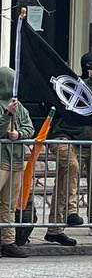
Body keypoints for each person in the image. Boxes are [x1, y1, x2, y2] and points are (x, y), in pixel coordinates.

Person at [44, 63, 92, 247]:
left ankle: (55, 229)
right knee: (71, 167)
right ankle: (70, 211)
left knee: (73, 181)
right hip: (63, 136)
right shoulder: (77, 90)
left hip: (88, 141)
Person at [0, 67, 34, 257]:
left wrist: (19, 133)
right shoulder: (5, 105)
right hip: (1, 158)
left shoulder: (19, 106)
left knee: (9, 204)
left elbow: (30, 127)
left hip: (16, 160)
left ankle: (8, 240)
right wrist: (6, 116)